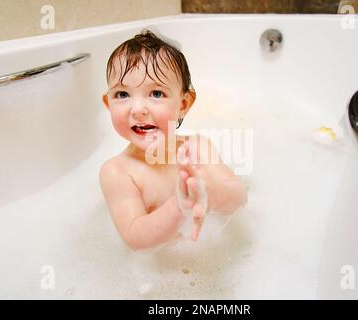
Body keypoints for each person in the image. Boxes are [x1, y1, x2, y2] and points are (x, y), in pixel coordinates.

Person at [100, 30, 247, 251]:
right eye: (122, 95)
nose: (138, 109)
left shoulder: (198, 147)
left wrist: (213, 194)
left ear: (184, 104)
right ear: (108, 102)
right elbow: (135, 237)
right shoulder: (117, 172)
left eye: (156, 93)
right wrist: (178, 207)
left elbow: (240, 197)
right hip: (157, 274)